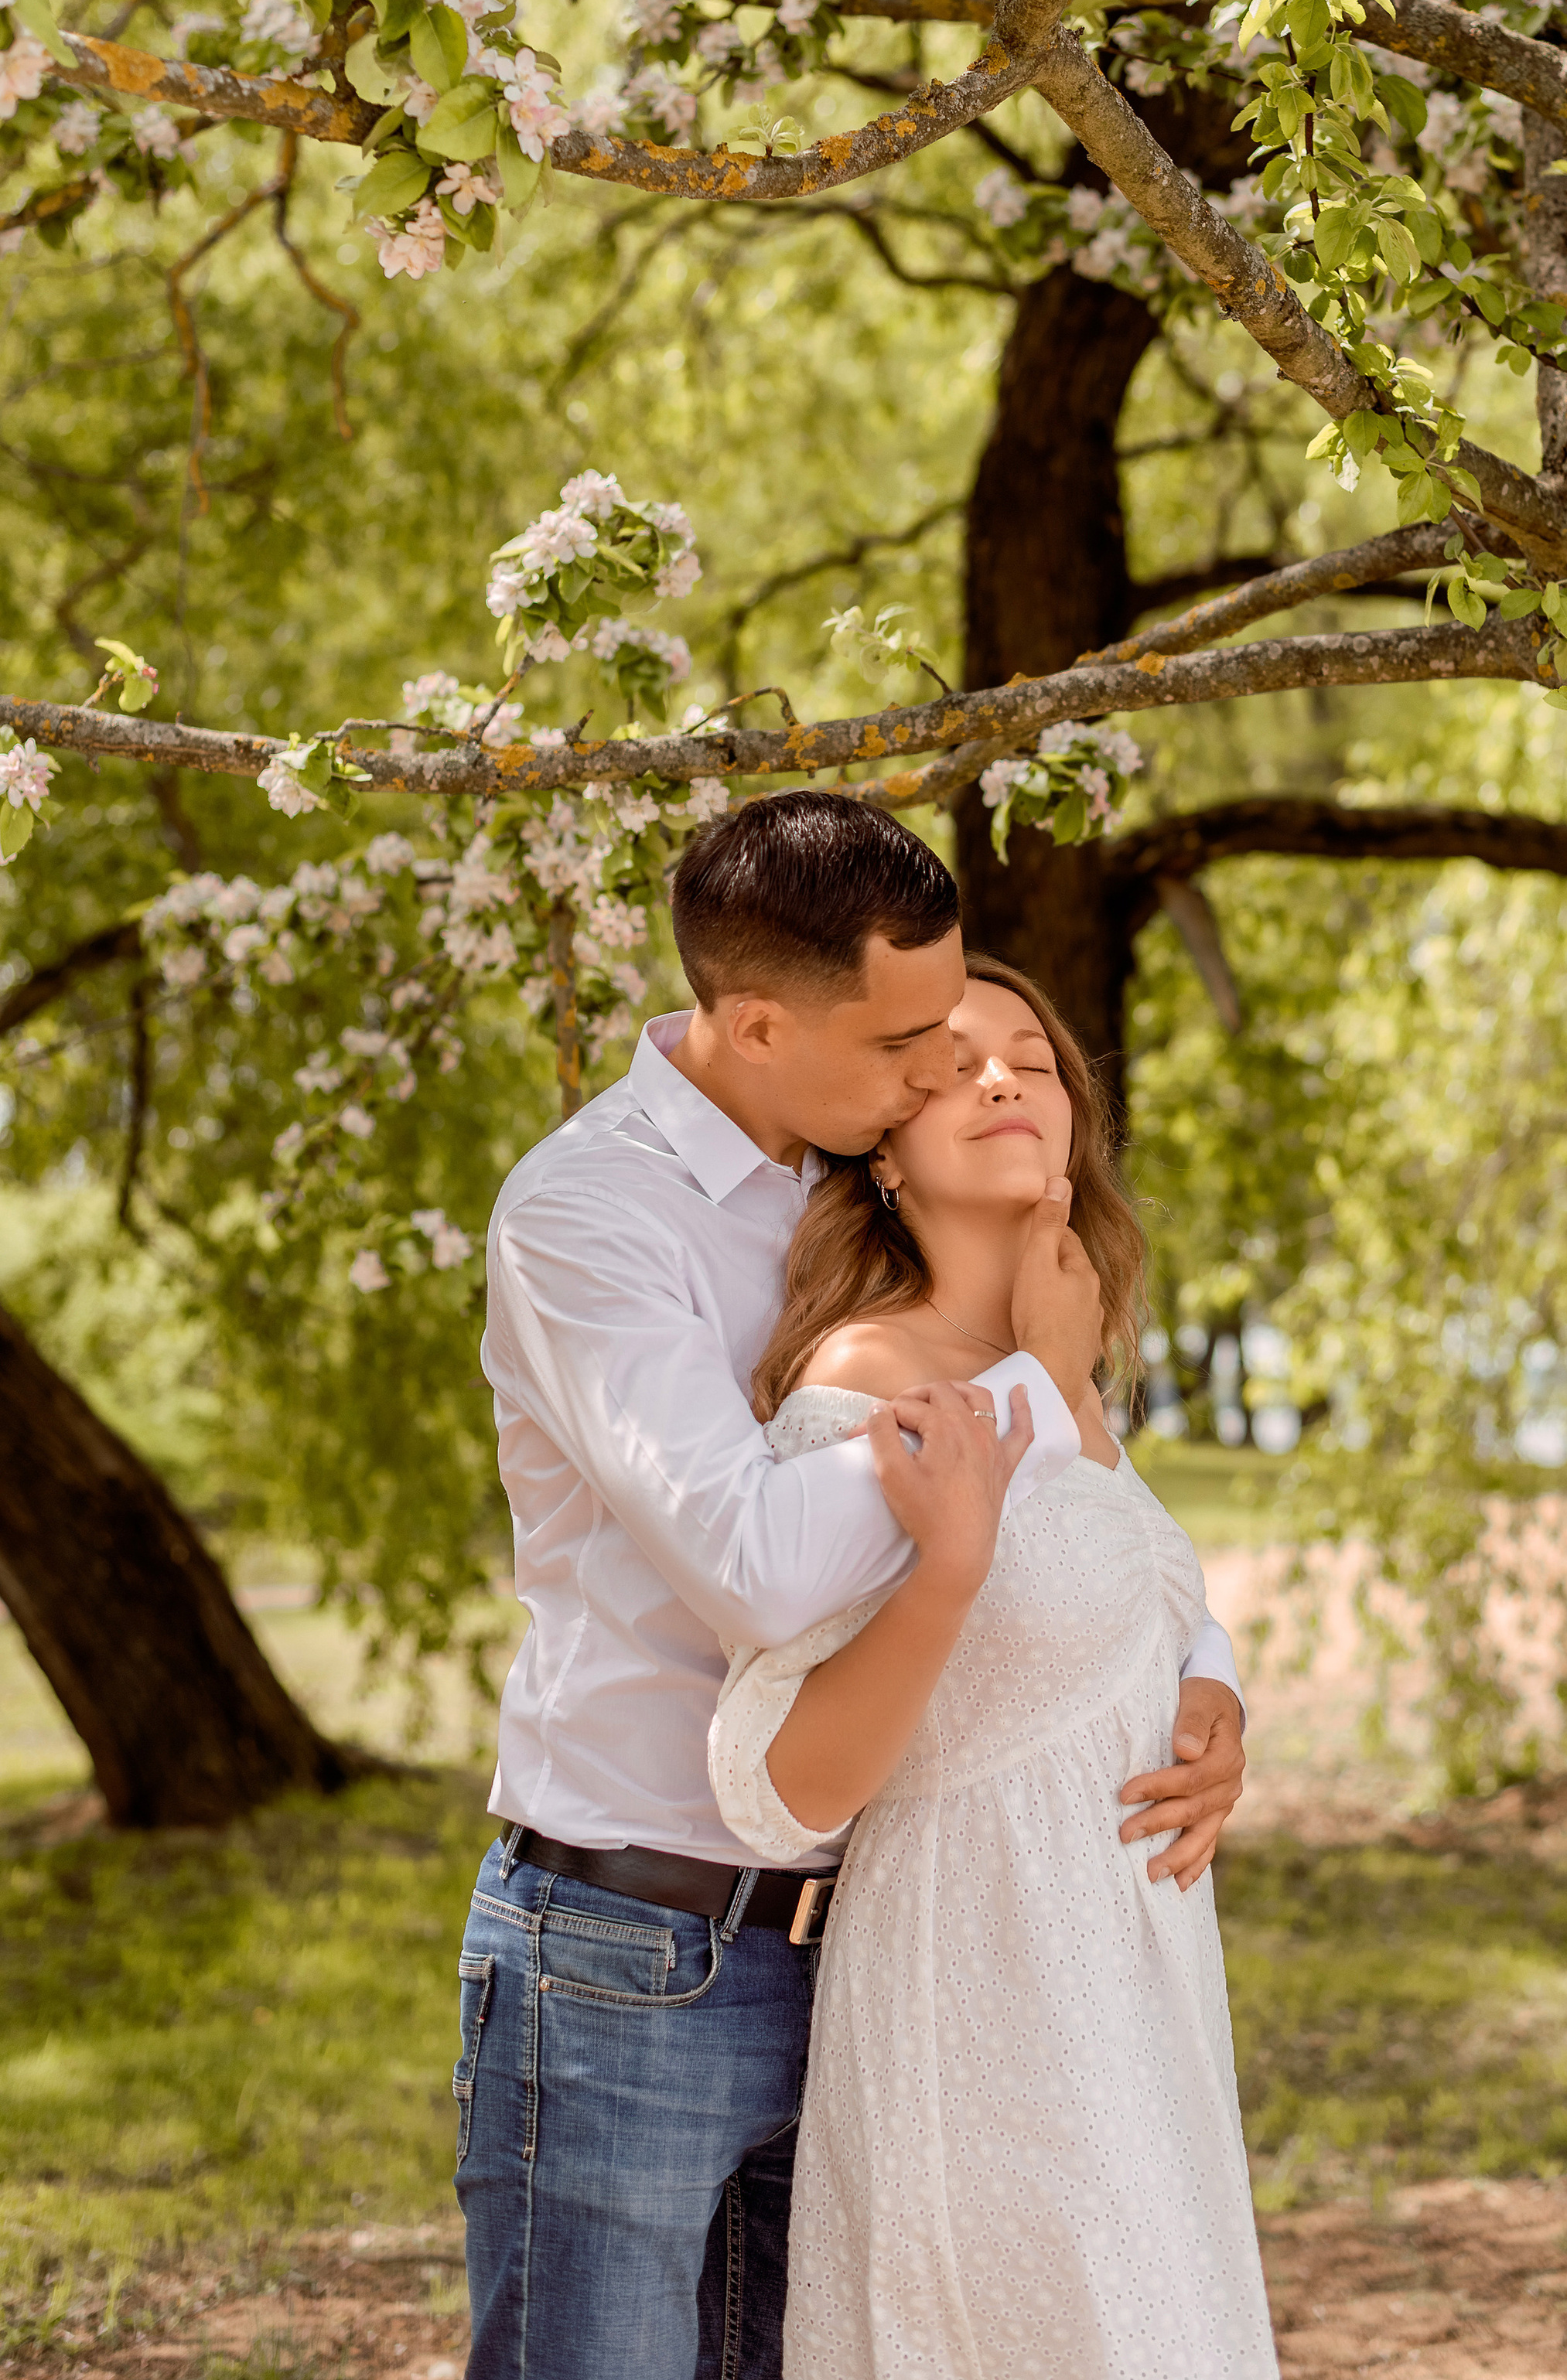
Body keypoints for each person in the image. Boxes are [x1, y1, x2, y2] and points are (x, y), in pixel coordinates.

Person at [453, 793, 1249, 2380]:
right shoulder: (590, 1217)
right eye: (908, 1049)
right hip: (637, 1934)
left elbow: (1091, 1536)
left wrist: (1204, 1676)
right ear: (756, 1023)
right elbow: (753, 1564)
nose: (939, 1073)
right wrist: (1038, 1383)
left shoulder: (836, 1200)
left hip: (872, 1945)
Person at [708, 953, 1279, 2380]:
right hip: (987, 1993)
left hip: (1133, 2000)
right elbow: (782, 1784)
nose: (1003, 1076)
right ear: (883, 1144)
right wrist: (950, 1564)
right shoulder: (864, 1382)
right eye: (951, 1062)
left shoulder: (1061, 1369)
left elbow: (1124, 1598)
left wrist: (1213, 1693)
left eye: (1030, 1057)